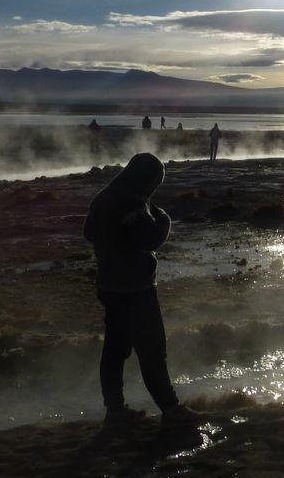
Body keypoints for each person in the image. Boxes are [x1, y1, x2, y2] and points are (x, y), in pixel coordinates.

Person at [83, 152, 198, 425]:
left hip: (109, 285)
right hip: (135, 288)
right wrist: (163, 218)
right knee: (152, 349)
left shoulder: (104, 197)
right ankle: (170, 408)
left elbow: (88, 233)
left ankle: (115, 410)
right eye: (155, 181)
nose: (155, 187)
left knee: (115, 350)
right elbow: (151, 239)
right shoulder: (133, 203)